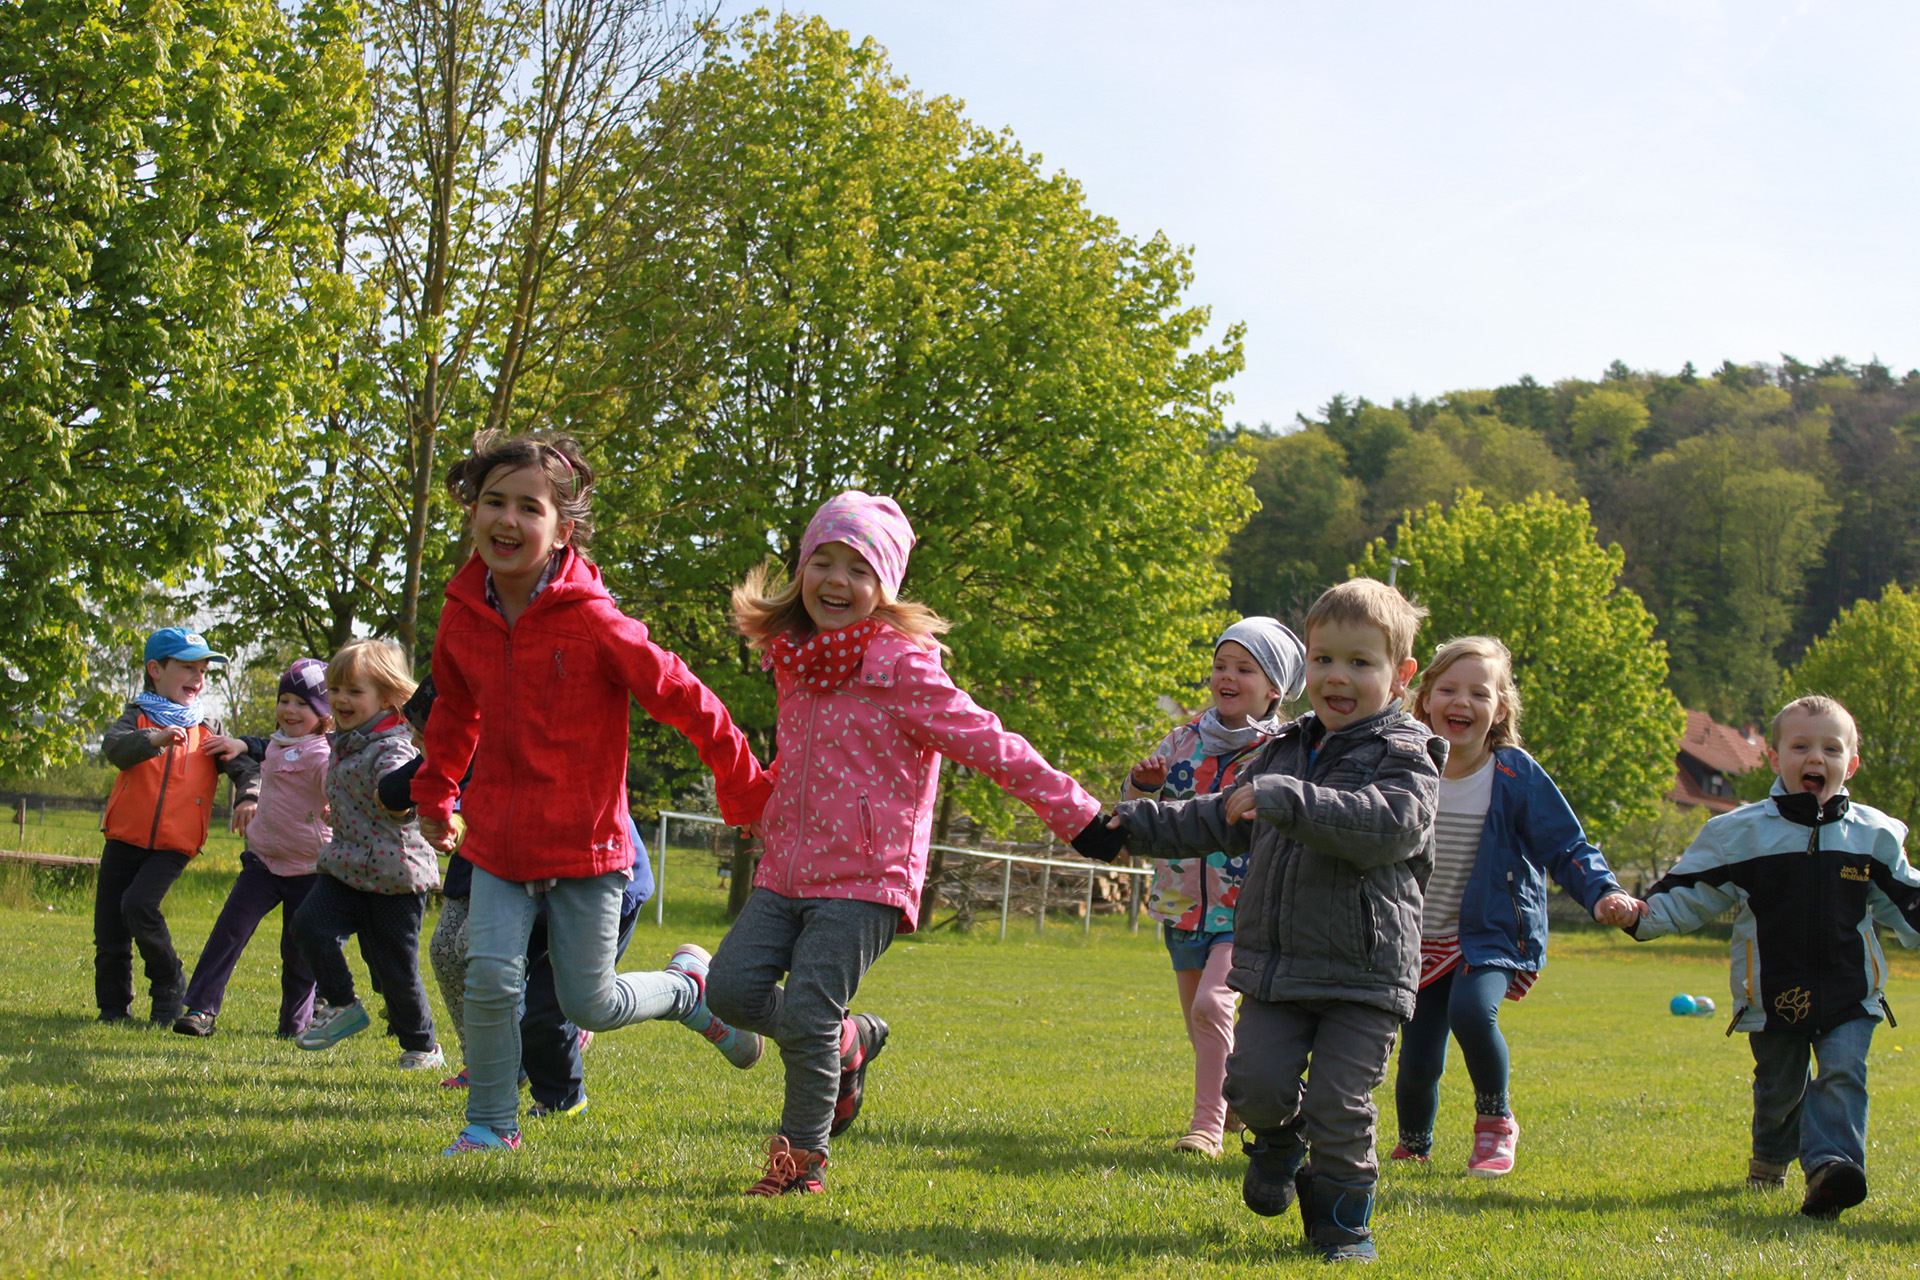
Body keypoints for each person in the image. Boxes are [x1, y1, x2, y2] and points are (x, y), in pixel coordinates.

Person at [711, 490, 1115, 1197]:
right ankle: (845, 1041)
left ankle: (798, 1165)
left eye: (860, 569)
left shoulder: (902, 666)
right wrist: (762, 797)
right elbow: (805, 759)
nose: (837, 582)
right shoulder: (794, 656)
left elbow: (991, 742)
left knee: (804, 1010)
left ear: (885, 586)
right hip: (786, 869)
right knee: (732, 990)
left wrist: (1077, 813)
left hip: (867, 875)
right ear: (801, 569)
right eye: (824, 562)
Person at [412, 431, 769, 1157]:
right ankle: (490, 1126)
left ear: (561, 529)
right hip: (498, 845)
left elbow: (687, 699)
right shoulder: (461, 615)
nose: (507, 521)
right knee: (488, 979)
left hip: (587, 848)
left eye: (528, 507)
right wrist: (437, 791)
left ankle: (688, 991)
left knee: (591, 1004)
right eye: (493, 503)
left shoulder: (595, 621)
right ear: (473, 512)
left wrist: (745, 792)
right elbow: (454, 709)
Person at [1099, 578, 1443, 1264]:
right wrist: (1126, 825)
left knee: (1341, 1105)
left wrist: (1286, 797)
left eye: (1360, 663)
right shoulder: (1285, 747)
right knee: (1253, 1083)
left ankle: (1344, 1227)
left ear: (1401, 675)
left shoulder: (1407, 752)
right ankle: (1277, 1140)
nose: (1337, 678)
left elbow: (1392, 827)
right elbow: (1214, 815)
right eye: (1323, 661)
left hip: (1364, 972)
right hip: (1278, 964)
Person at [1623, 694, 1920, 1221]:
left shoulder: (1874, 835)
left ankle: (1832, 1169)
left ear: (1849, 764)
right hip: (1773, 994)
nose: (1816, 758)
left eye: (1832, 748)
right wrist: (1636, 916)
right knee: (1780, 1088)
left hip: (1852, 992)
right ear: (1775, 757)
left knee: (1843, 1070)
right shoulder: (1738, 833)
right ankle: (1771, 1158)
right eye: (1801, 745)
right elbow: (1688, 892)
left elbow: (1908, 900)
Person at [1390, 636, 1639, 1175]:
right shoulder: (1405, 764)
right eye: (1449, 689)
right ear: (1425, 697)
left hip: (1492, 932)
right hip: (1416, 938)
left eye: (1479, 693)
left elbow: (1566, 845)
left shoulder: (1513, 774)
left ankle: (1496, 1124)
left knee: (1472, 1011)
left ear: (1500, 708)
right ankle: (1414, 1145)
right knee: (1416, 1059)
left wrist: (1603, 893)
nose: (1462, 702)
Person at [393, 678, 684, 1116]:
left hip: (604, 891)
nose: (418, 744)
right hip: (534, 893)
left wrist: (453, 810)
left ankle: (681, 993)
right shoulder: (470, 757)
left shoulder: (526, 758)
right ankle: (504, 1099)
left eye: (427, 735)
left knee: (564, 1009)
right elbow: (396, 788)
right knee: (503, 989)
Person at [1122, 617, 1306, 1158]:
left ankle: (1206, 1126)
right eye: (1221, 666)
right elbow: (1139, 810)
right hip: (1181, 906)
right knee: (1201, 1019)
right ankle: (1232, 1108)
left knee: (1212, 1007)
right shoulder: (1182, 740)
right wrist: (1142, 786)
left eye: (1244, 669)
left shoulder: (1281, 751)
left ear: (1274, 688)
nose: (1227, 676)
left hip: (1246, 909)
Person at [289, 638, 445, 1071]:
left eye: (354, 691)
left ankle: (422, 1045)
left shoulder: (393, 746)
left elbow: (401, 795)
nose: (340, 699)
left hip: (395, 879)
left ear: (389, 698)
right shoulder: (347, 740)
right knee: (308, 926)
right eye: (335, 689)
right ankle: (342, 1003)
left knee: (393, 970)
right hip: (346, 867)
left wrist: (399, 800)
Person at [95, 627, 260, 1028]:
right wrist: (153, 738)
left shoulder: (208, 727)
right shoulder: (136, 715)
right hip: (123, 835)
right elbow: (114, 747)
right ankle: (114, 1009)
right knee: (110, 930)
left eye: (203, 670)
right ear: (155, 669)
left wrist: (250, 794)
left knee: (139, 905)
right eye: (187, 667)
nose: (198, 677)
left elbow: (242, 767)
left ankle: (169, 984)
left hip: (174, 843)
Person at [174, 658, 335, 1039]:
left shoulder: (325, 755)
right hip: (262, 863)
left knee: (299, 953)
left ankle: (295, 1025)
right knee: (228, 932)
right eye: (285, 701)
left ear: (323, 714)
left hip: (308, 870)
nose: (290, 711)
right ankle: (200, 1010)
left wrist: (336, 806)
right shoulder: (278, 744)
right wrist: (241, 744)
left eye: (302, 704)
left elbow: (337, 786)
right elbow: (266, 747)